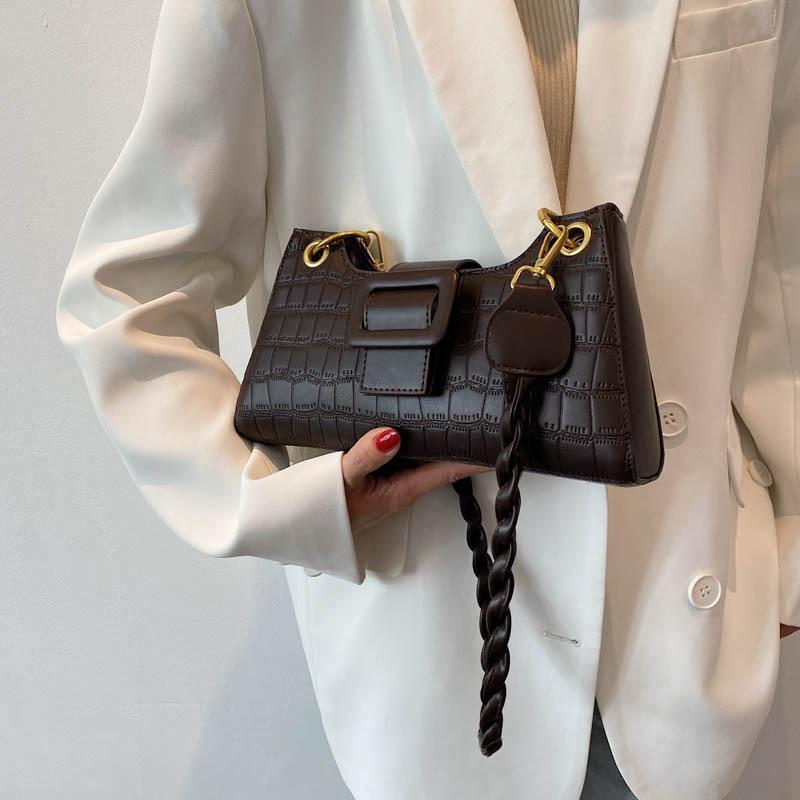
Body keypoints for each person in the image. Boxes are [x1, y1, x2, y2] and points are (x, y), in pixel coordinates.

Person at [55, 1, 799, 798]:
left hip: (683, 627)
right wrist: (288, 505)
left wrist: (787, 559)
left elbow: (782, 255)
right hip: (430, 645)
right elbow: (128, 296)